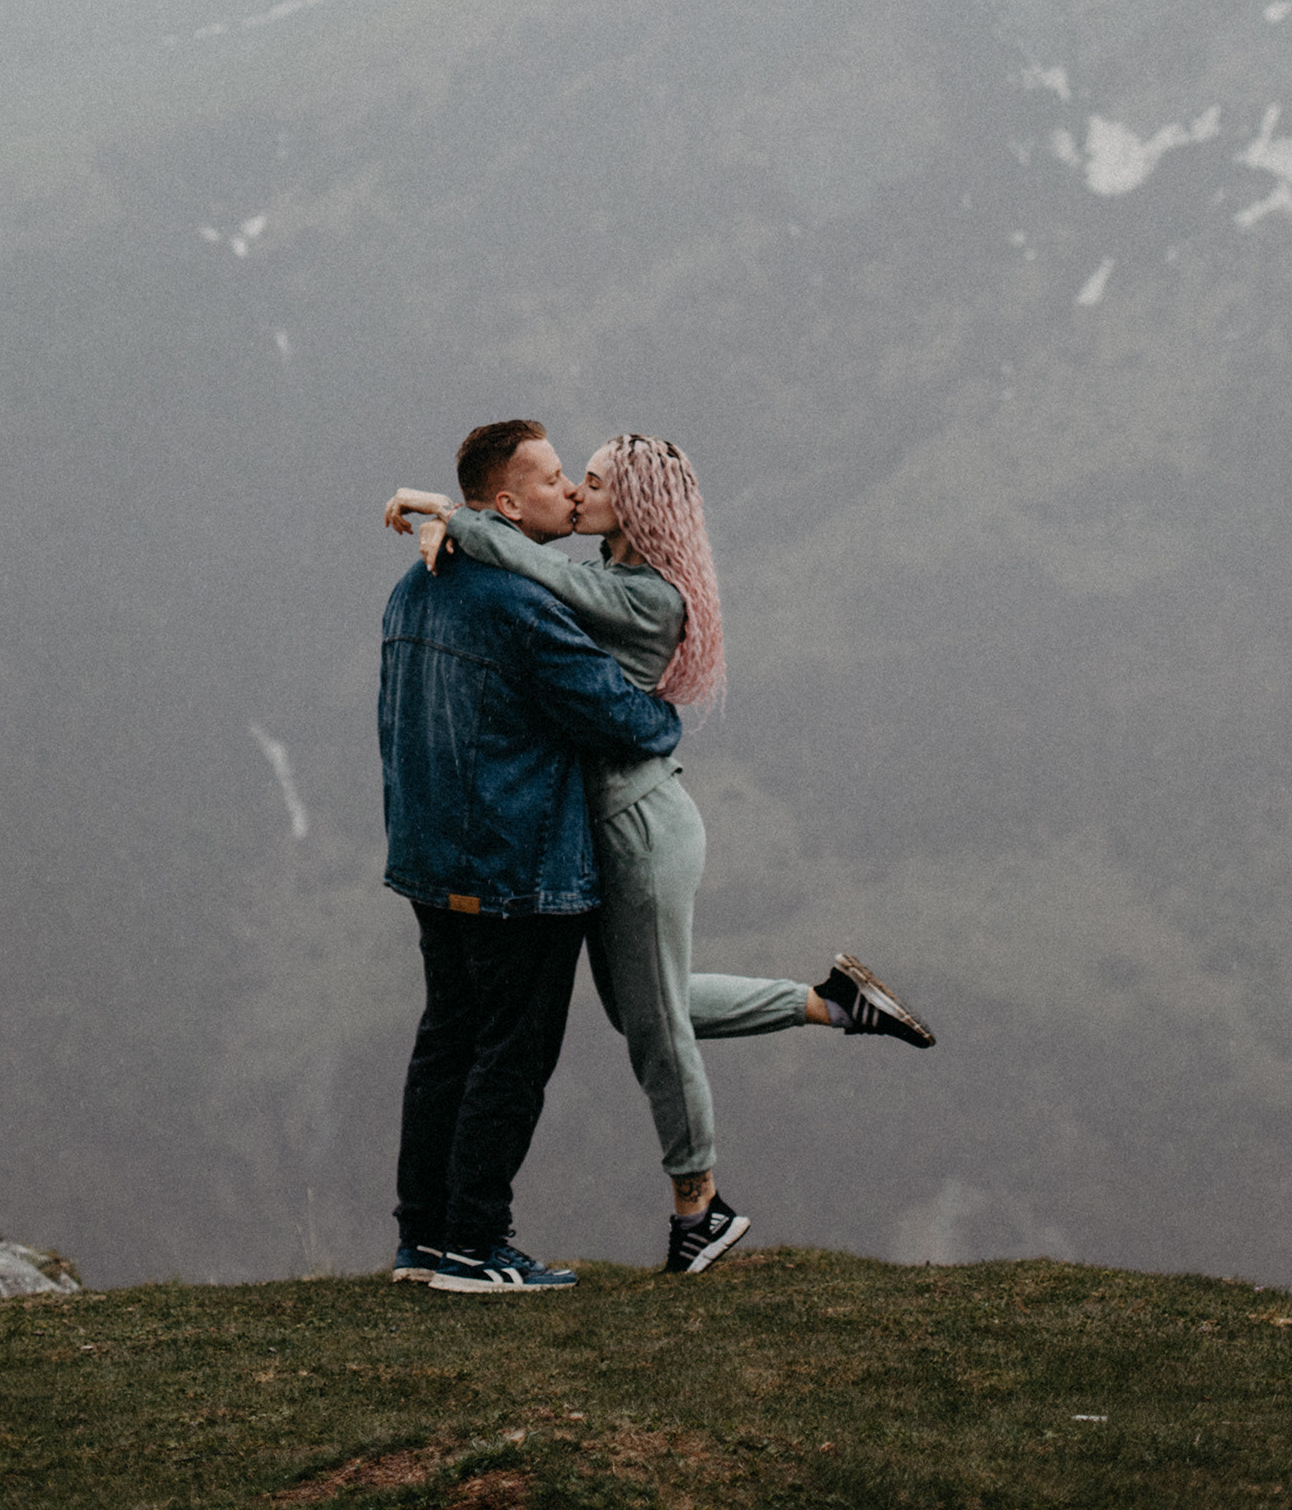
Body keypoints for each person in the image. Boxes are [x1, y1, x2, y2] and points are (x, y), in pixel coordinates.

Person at [386, 428, 933, 1279]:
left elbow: (543, 581)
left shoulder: (649, 598)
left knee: (652, 1025)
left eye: (590, 480)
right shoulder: (602, 577)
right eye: (569, 477)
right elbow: (535, 580)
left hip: (639, 824)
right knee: (652, 1004)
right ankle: (828, 1002)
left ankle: (699, 1206)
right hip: (589, 828)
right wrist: (458, 527)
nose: (575, 492)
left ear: (631, 504)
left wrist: (453, 518)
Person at [379, 416, 683, 1297]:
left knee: (446, 1042)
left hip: (429, 858)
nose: (571, 493)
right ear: (506, 502)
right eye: (552, 480)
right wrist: (664, 719)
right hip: (515, 865)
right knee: (511, 1056)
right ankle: (478, 1244)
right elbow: (616, 716)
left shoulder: (415, 586)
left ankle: (423, 1240)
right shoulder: (524, 604)